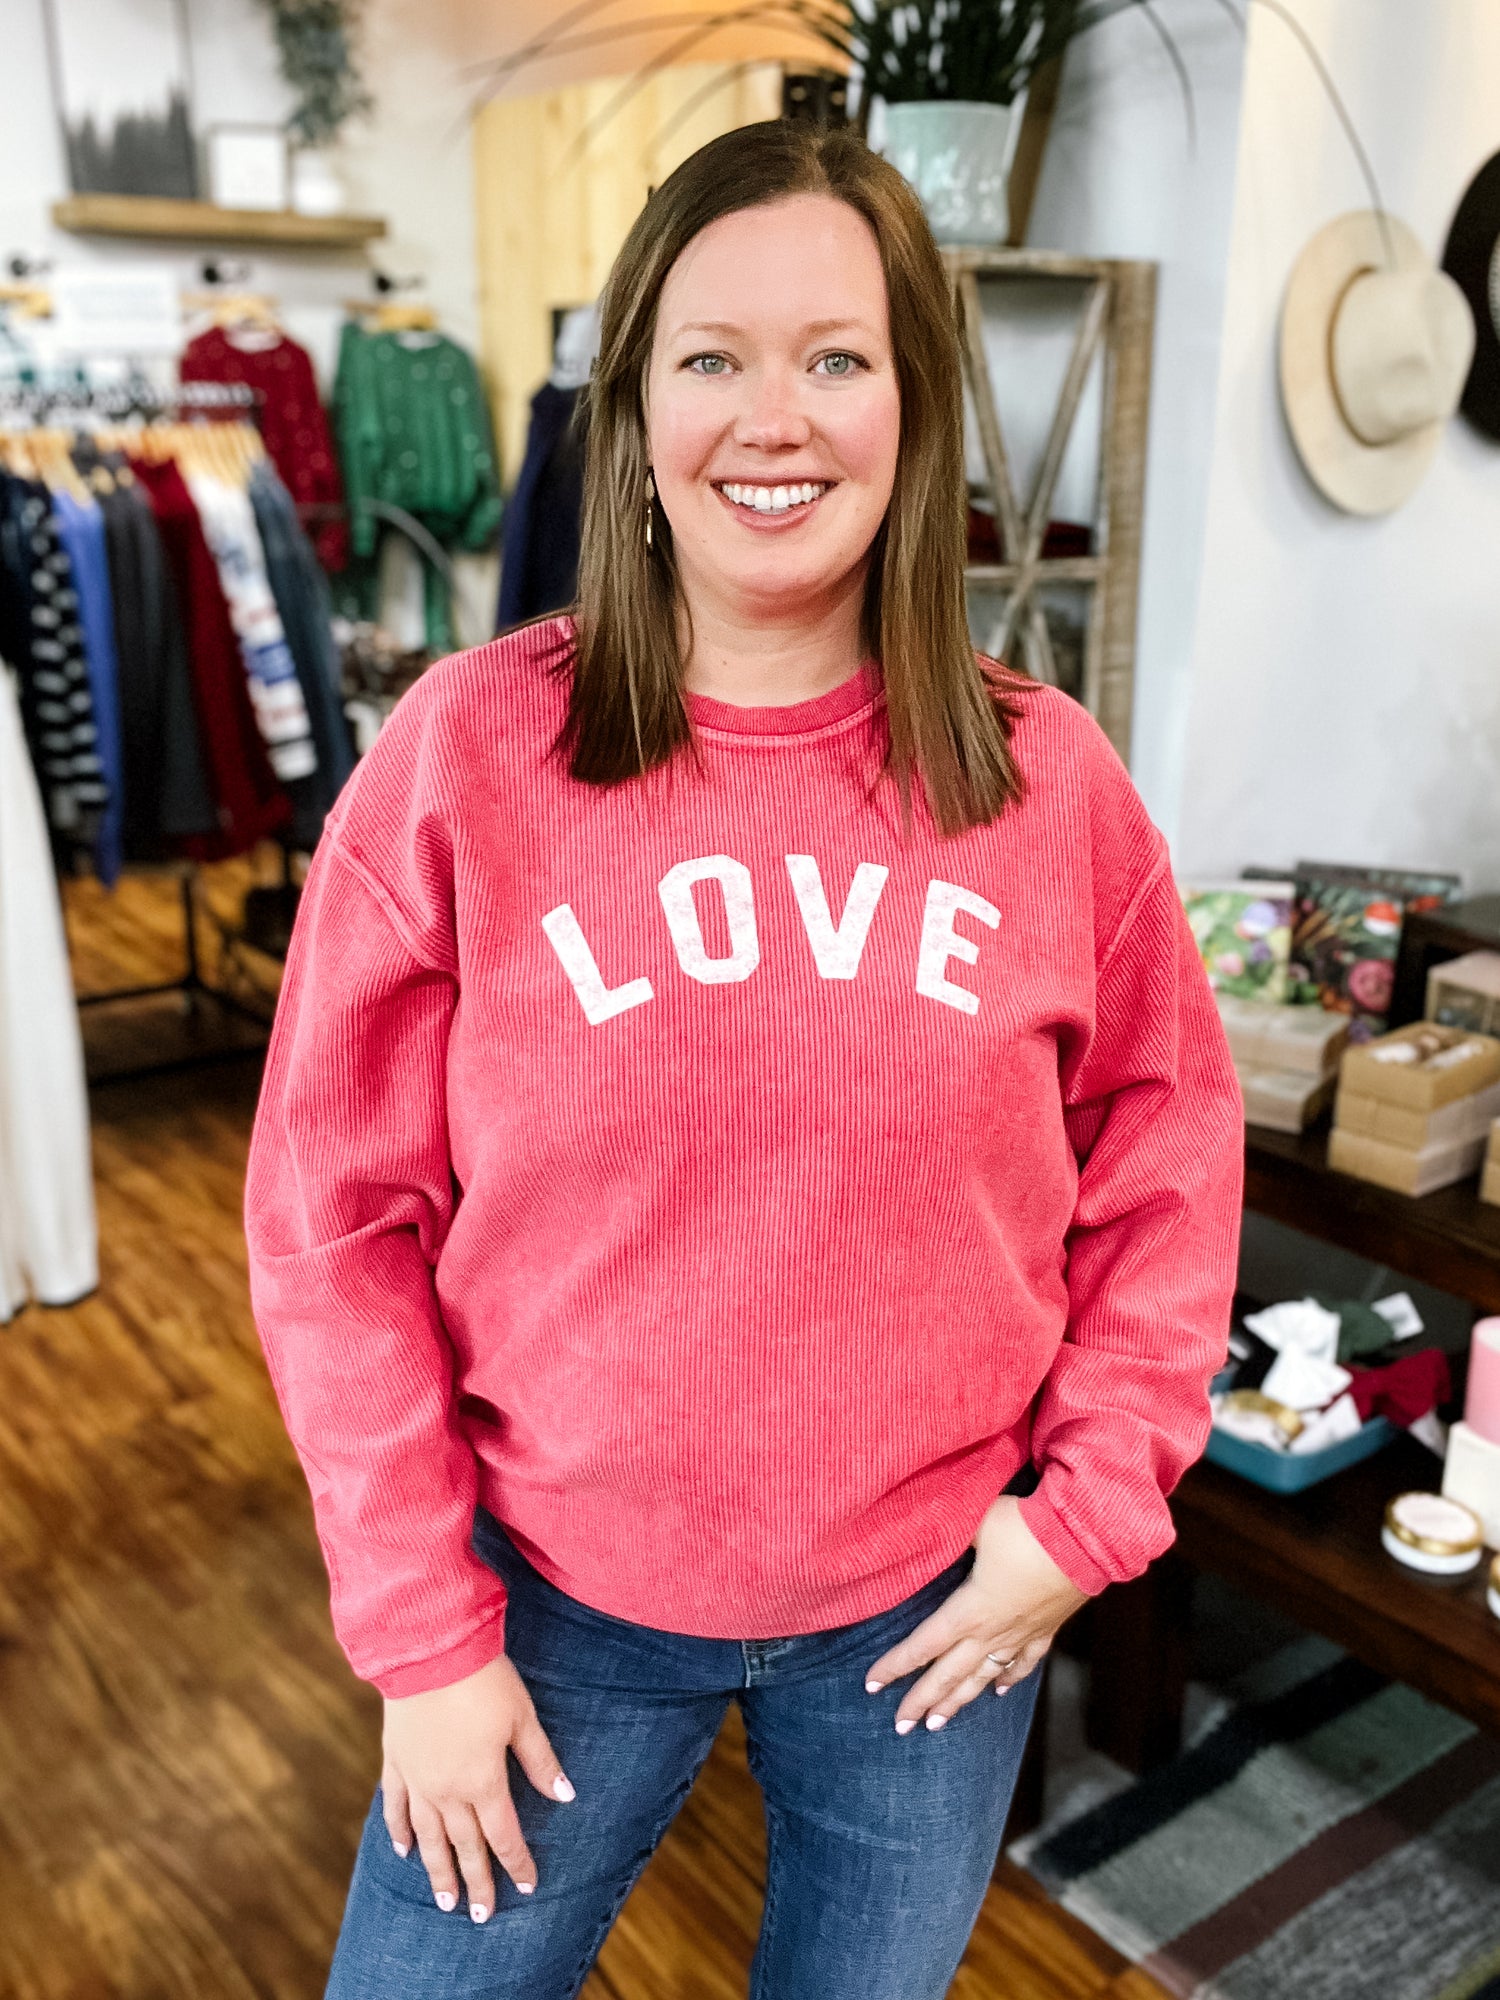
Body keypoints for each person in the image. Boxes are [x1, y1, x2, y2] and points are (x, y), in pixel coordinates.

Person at [243, 119, 1243, 2000]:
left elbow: (1170, 1161)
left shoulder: (1051, 789)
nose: (772, 419)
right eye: (711, 357)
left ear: (912, 409)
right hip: (546, 1606)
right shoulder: (465, 758)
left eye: (835, 357)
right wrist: (420, 1632)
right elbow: (329, 1221)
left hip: (934, 1616)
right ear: (632, 414)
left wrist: (1093, 1513)